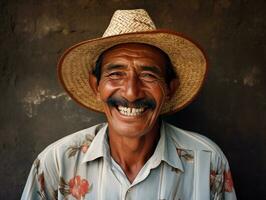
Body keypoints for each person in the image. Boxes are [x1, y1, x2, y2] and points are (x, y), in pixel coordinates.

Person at [21, 9, 237, 200]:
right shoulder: (56, 163)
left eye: (149, 75)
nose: (132, 93)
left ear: (170, 88)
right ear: (96, 86)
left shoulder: (208, 162)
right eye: (115, 74)